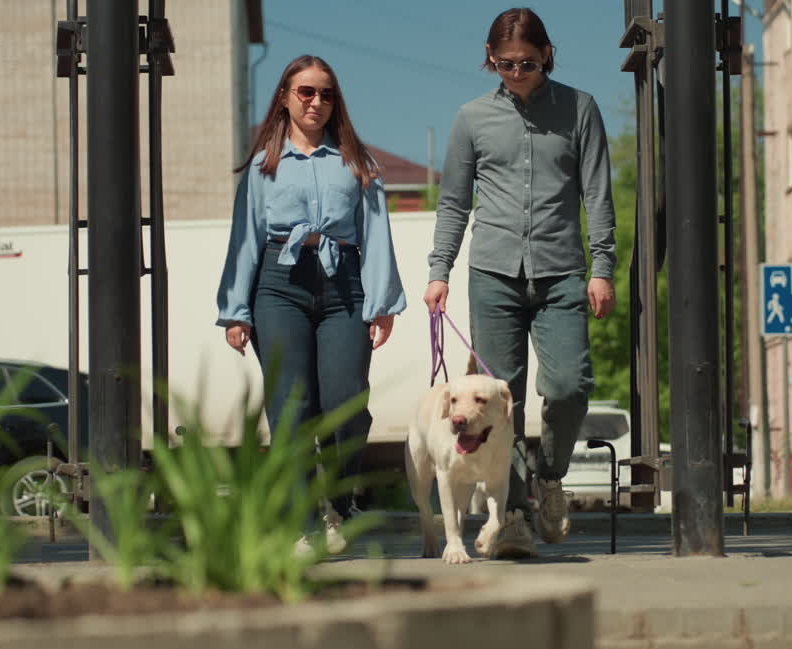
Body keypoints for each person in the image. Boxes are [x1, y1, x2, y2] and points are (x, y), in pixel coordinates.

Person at [425, 8, 616, 558]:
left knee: (568, 386)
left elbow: (597, 194)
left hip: (561, 273)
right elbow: (456, 201)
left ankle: (549, 479)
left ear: (547, 55)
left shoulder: (579, 109)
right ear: (489, 59)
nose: (515, 72)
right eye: (503, 64)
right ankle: (510, 516)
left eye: (527, 63)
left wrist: (601, 267)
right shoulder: (471, 118)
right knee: (494, 402)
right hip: (493, 274)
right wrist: (440, 271)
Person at [216, 55, 406, 555]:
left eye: (325, 94)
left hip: (343, 283)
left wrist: (382, 302)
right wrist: (236, 310)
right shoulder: (263, 167)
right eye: (305, 92)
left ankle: (340, 505)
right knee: (291, 408)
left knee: (346, 404)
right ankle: (303, 522)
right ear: (285, 97)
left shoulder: (356, 162)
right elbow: (245, 239)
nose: (316, 102)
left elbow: (376, 235)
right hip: (278, 286)